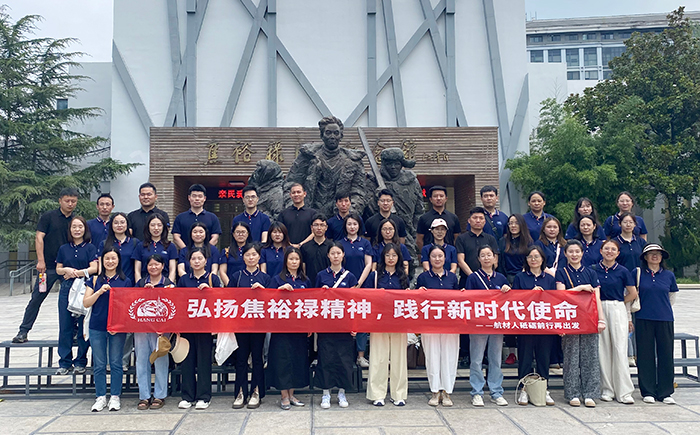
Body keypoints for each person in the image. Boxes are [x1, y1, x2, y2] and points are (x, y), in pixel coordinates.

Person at [13, 187, 78, 344]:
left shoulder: (75, 221)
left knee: (73, 300)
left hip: (67, 270)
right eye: (67, 201)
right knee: (36, 298)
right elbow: (39, 238)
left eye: (73, 201)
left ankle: (75, 332)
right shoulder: (48, 217)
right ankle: (23, 331)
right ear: (60, 201)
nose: (70, 204)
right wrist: (40, 260)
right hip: (48, 268)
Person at [284, 116, 366, 219]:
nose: (332, 136)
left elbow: (358, 192)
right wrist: (295, 212)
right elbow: (291, 184)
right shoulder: (307, 157)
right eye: (328, 133)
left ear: (341, 136)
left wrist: (349, 215)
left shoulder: (353, 161)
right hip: (310, 217)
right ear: (322, 135)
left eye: (336, 133)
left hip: (340, 218)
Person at [555, 240, 606, 408]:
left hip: (589, 318)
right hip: (569, 319)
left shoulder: (591, 272)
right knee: (571, 357)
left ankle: (590, 393)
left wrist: (601, 319)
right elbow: (560, 295)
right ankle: (572, 393)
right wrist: (579, 288)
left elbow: (597, 297)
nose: (574, 254)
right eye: (571, 251)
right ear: (565, 254)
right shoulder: (561, 272)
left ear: (582, 253)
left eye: (577, 251)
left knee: (590, 356)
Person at [83, 247, 131, 412]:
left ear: (118, 261)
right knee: (99, 364)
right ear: (102, 261)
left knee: (116, 363)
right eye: (107, 259)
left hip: (117, 328)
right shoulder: (94, 280)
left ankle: (115, 396)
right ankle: (100, 396)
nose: (110, 261)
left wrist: (119, 325)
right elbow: (86, 303)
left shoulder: (125, 281)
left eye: (113, 258)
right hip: (97, 326)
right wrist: (99, 292)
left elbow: (127, 307)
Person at [591, 239, 637, 404]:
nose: (609, 252)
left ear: (618, 253)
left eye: (613, 249)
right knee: (603, 349)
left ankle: (624, 391)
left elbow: (633, 293)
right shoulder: (593, 270)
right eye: (606, 249)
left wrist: (619, 302)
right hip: (599, 308)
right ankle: (607, 389)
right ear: (601, 251)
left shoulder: (623, 271)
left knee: (619, 348)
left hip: (617, 308)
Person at [363, 243, 410, 407]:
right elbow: (366, 297)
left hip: (399, 322)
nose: (391, 258)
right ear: (383, 257)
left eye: (394, 255)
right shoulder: (375, 275)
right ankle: (377, 394)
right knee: (378, 358)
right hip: (379, 322)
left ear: (399, 258)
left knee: (399, 359)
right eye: (388, 255)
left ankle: (399, 394)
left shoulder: (403, 276)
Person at [177, 247, 222, 410]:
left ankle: (204, 396)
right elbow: (178, 301)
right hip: (187, 326)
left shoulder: (212, 278)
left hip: (205, 326)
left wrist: (210, 291)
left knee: (204, 361)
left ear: (206, 261)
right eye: (193, 259)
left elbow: (220, 300)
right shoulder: (184, 280)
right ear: (189, 262)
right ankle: (187, 396)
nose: (197, 261)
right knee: (187, 361)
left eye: (200, 258)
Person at [465, 245, 510, 407]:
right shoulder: (473, 278)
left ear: (494, 258)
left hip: (497, 324)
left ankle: (496, 391)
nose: (486, 258)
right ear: (478, 259)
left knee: (495, 359)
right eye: (482, 255)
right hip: (478, 324)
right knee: (476, 359)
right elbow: (468, 299)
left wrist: (508, 290)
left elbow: (509, 301)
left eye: (489, 255)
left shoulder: (501, 278)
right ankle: (477, 392)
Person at [315, 242, 359, 409]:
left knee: (344, 359)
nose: (335, 256)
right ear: (328, 255)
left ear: (343, 255)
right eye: (332, 253)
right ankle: (326, 393)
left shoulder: (350, 277)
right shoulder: (321, 276)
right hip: (326, 324)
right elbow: (314, 300)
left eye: (338, 253)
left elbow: (354, 302)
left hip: (344, 325)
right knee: (325, 358)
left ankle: (342, 392)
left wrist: (354, 325)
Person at [416, 245, 460, 407]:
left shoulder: (452, 277)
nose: (437, 259)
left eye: (440, 256)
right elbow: (416, 301)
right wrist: (419, 292)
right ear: (429, 258)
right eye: (434, 256)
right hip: (429, 324)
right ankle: (435, 391)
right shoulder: (423, 277)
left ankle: (447, 392)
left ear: (445, 258)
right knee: (432, 357)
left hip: (450, 324)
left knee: (449, 356)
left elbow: (458, 299)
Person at [513, 245, 556, 406]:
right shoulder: (520, 277)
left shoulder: (550, 279)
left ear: (542, 259)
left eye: (536, 256)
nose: (533, 260)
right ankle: (524, 389)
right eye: (530, 257)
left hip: (544, 325)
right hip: (525, 324)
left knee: (543, 358)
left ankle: (544, 389)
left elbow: (556, 300)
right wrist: (530, 294)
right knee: (525, 358)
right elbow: (514, 300)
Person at [229, 243, 272, 409]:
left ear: (259, 257)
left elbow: (272, 302)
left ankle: (257, 392)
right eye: (247, 255)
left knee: (257, 359)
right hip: (241, 325)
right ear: (243, 257)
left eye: (254, 255)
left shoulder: (265, 278)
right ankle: (240, 392)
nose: (251, 258)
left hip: (259, 325)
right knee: (241, 359)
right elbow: (229, 299)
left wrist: (263, 291)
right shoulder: (237, 277)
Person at [268, 247, 311, 410]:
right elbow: (268, 301)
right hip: (281, 329)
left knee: (297, 359)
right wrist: (279, 291)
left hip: (299, 328)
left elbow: (310, 303)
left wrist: (310, 325)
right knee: (282, 360)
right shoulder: (277, 279)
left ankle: (292, 394)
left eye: (297, 259)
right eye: (291, 259)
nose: (294, 262)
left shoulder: (305, 280)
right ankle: (284, 396)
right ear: (285, 261)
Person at [635, 244, 678, 405]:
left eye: (658, 254)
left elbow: (671, 296)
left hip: (665, 318)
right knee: (645, 355)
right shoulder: (638, 273)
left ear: (662, 257)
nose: (654, 256)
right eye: (651, 253)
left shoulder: (668, 275)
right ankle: (648, 391)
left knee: (666, 354)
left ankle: (665, 391)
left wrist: (661, 309)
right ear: (645, 257)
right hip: (643, 318)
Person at [55, 216, 98, 375]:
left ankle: (80, 361)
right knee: (65, 326)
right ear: (70, 229)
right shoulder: (63, 248)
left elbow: (94, 268)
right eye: (74, 227)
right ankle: (64, 362)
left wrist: (76, 273)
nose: (77, 229)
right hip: (67, 288)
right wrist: (65, 270)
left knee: (83, 326)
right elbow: (58, 269)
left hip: (84, 287)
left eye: (80, 226)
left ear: (85, 229)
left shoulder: (90, 248)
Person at [134, 254, 174, 410]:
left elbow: (173, 306)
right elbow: (133, 302)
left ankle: (160, 395)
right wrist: (143, 292)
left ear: (163, 266)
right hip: (142, 329)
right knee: (141, 361)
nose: (154, 267)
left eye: (157, 264)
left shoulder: (169, 284)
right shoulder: (140, 283)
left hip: (161, 331)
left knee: (161, 360)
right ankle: (144, 396)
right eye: (150, 264)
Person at [338, 213, 372, 367]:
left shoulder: (365, 243)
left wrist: (358, 283)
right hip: (343, 287)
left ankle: (360, 355)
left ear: (359, 226)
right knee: (344, 320)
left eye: (355, 224)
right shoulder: (339, 244)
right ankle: (344, 355)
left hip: (361, 287)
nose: (352, 227)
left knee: (361, 321)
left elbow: (368, 264)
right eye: (349, 224)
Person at [456, 207, 500, 287]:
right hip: (467, 279)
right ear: (469, 221)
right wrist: (474, 277)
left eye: (481, 218)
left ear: (485, 221)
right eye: (475, 218)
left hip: (488, 280)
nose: (478, 220)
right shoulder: (461, 238)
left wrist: (484, 277)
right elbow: (460, 261)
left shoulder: (491, 239)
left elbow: (495, 260)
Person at [172, 184, 222, 249]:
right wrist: (186, 251)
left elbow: (215, 237)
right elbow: (176, 237)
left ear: (204, 198)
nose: (197, 199)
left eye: (200, 196)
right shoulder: (180, 217)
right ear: (189, 198)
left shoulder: (212, 217)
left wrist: (204, 251)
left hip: (207, 254)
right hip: (185, 254)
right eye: (194, 196)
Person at [134, 214, 178, 283]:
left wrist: (168, 285)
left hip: (164, 284)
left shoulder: (170, 246)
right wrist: (140, 285)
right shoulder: (140, 246)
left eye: (159, 225)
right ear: (148, 227)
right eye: (152, 225)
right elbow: (137, 270)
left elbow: (172, 270)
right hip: (145, 284)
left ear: (163, 227)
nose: (156, 228)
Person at [98, 212, 139, 284]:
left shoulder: (135, 243)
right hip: (109, 284)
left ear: (127, 224)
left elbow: (137, 269)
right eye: (116, 223)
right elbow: (101, 268)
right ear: (111, 225)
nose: (119, 225)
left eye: (122, 222)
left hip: (129, 283)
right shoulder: (104, 244)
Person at [416, 186, 461, 250]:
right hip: (430, 253)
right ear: (430, 199)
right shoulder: (424, 218)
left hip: (449, 254)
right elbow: (419, 240)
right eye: (435, 196)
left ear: (446, 199)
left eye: (441, 196)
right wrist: (426, 253)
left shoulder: (453, 218)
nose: (438, 198)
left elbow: (456, 238)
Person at [498, 214, 533, 284]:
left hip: (523, 277)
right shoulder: (503, 241)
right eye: (511, 223)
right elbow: (500, 262)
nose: (513, 225)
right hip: (506, 277)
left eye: (517, 223)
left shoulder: (528, 242)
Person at [300, 214, 333, 286]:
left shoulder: (332, 246)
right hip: (310, 285)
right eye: (316, 225)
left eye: (322, 225)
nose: (319, 228)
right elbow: (303, 269)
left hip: (328, 285)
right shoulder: (305, 247)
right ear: (311, 227)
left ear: (326, 227)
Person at [218, 222, 253, 286]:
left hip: (249, 287)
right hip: (231, 287)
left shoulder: (253, 251)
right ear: (233, 234)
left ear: (248, 234)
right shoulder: (226, 251)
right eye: (237, 232)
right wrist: (230, 286)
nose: (240, 234)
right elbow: (222, 272)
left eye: (243, 232)